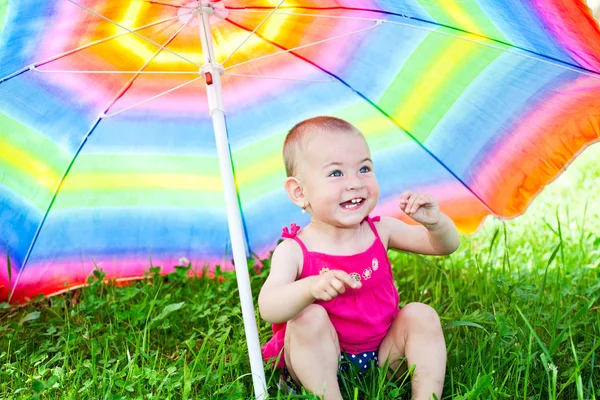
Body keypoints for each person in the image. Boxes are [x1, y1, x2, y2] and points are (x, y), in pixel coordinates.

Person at [259, 116, 460, 400]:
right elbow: (269, 306)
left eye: (364, 168)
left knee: (421, 315)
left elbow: (443, 246)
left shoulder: (381, 230)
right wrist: (309, 288)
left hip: (383, 356)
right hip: (317, 363)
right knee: (307, 317)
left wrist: (435, 224)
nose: (355, 183)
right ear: (300, 192)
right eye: (336, 173)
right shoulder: (294, 250)